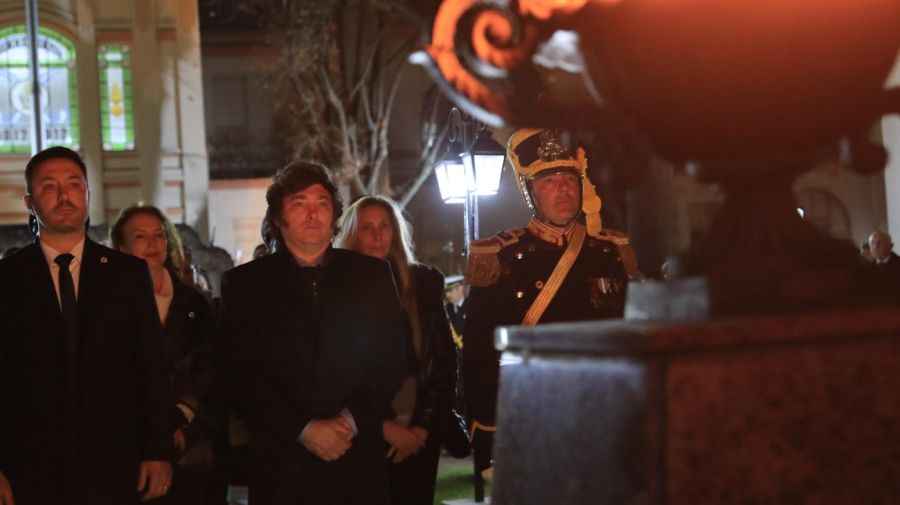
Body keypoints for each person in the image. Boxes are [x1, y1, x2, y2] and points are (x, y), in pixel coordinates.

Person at [219, 160, 408, 505]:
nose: (312, 214)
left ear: (334, 215)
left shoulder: (372, 276)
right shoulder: (246, 284)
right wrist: (303, 429)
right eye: (299, 204)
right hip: (283, 464)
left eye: (322, 204)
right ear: (278, 217)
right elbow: (240, 372)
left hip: (355, 458)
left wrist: (350, 421)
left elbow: (393, 358)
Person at [463, 128, 636, 491]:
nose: (563, 189)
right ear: (530, 191)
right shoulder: (501, 257)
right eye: (549, 180)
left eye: (570, 179)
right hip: (533, 419)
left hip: (605, 417)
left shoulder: (610, 251)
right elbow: (480, 353)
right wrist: (491, 431)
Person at [0, 146, 174, 505]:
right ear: (30, 201)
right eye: (49, 187)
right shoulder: (8, 278)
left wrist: (159, 450)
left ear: (88, 195)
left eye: (74, 185)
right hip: (30, 467)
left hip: (117, 462)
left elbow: (151, 367)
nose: (64, 196)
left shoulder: (127, 274)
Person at [335, 196, 457, 505]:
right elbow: (337, 372)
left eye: (385, 226)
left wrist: (421, 430)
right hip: (361, 436)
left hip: (419, 435)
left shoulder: (422, 287)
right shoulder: (335, 291)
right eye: (367, 227)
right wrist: (383, 428)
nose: (377, 235)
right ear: (352, 234)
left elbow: (443, 362)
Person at [110, 205, 224, 505]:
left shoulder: (193, 303)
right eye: (140, 236)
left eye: (159, 235)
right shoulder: (109, 306)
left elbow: (210, 366)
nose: (152, 243)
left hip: (191, 444)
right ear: (121, 247)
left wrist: (182, 415)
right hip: (131, 447)